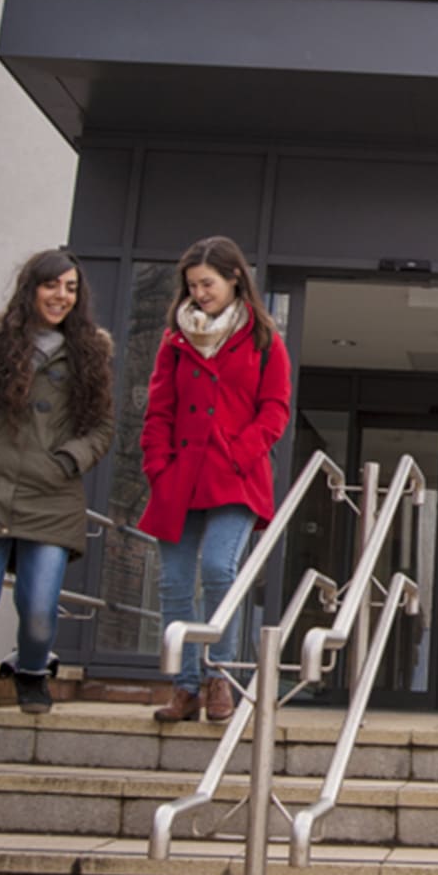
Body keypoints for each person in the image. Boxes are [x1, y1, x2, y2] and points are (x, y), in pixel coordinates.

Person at [0, 249, 115, 771]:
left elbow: (101, 427)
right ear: (30, 288)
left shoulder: (92, 353)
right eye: (52, 285)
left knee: (38, 607)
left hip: (51, 496)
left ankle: (32, 668)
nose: (61, 296)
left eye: (71, 288)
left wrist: (68, 460)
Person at [139, 236, 292, 723]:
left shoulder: (265, 340)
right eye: (192, 286)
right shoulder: (175, 341)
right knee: (176, 583)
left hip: (235, 477)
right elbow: (158, 409)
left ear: (234, 279)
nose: (200, 293)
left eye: (207, 283)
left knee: (221, 570)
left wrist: (242, 453)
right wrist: (156, 466)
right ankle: (184, 688)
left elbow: (275, 409)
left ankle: (219, 678)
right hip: (178, 476)